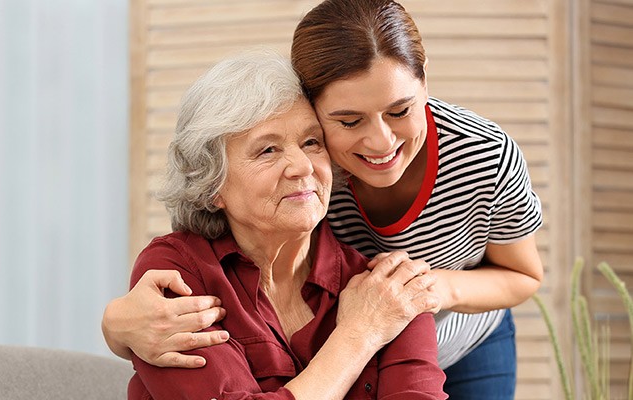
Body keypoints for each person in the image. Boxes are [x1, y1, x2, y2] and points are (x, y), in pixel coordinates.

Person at [103, 1, 544, 399]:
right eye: (349, 121)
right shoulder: (188, 270)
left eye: (399, 110)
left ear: (424, 81)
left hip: (446, 322)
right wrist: (115, 327)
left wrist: (428, 290)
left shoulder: (481, 157)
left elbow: (522, 275)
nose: (380, 141)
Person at [125, 49, 447, 399]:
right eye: (268, 150)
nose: (303, 167)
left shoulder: (388, 289)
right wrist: (360, 333)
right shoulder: (177, 274)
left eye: (312, 142)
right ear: (212, 184)